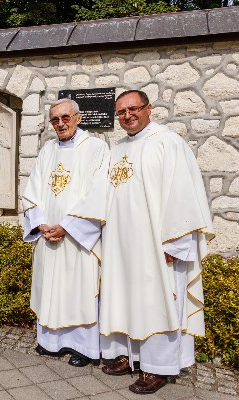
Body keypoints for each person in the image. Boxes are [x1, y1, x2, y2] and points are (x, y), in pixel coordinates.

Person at [98, 90, 213, 394]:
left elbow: (182, 194)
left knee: (157, 301)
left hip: (157, 245)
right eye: (121, 111)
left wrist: (177, 244)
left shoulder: (167, 142)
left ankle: (158, 367)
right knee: (127, 299)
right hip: (121, 244)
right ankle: (131, 357)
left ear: (149, 108)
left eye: (133, 109)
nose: (127, 115)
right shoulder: (117, 147)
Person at [21, 98, 109, 367]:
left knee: (78, 291)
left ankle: (84, 348)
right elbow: (33, 189)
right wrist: (40, 223)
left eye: (65, 118)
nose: (60, 124)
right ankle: (51, 343)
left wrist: (68, 226)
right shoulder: (47, 150)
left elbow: (99, 192)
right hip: (49, 235)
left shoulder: (96, 148)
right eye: (55, 120)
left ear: (78, 118)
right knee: (51, 288)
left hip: (78, 239)